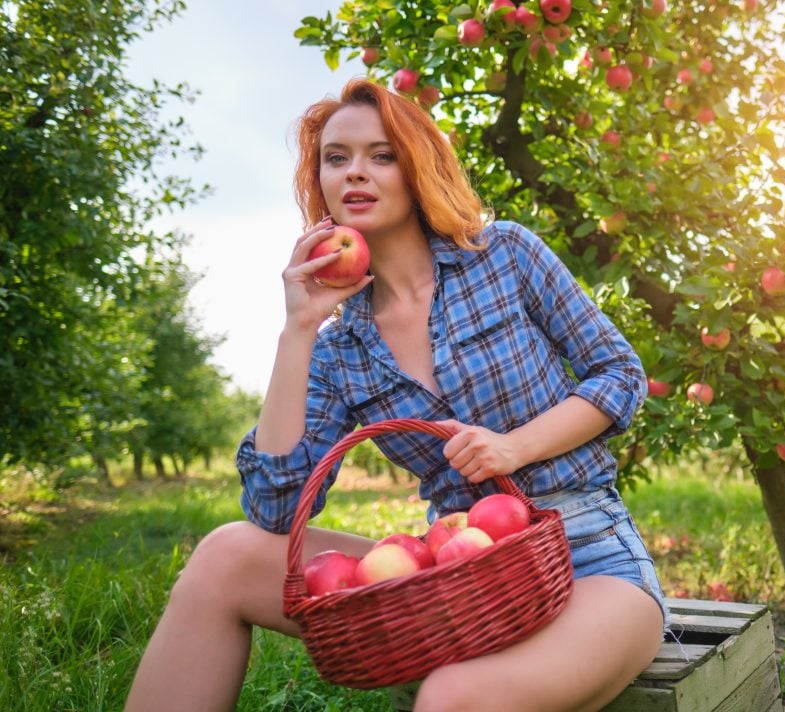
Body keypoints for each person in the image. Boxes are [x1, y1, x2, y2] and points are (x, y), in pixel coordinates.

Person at [124, 77, 668, 712]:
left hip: (587, 559)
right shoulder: (338, 347)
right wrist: (297, 330)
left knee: (451, 697)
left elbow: (619, 374)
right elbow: (275, 511)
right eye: (337, 158)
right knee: (225, 556)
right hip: (452, 582)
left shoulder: (505, 255)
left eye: (381, 155)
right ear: (320, 181)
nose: (356, 171)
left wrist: (513, 448)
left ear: (416, 171)